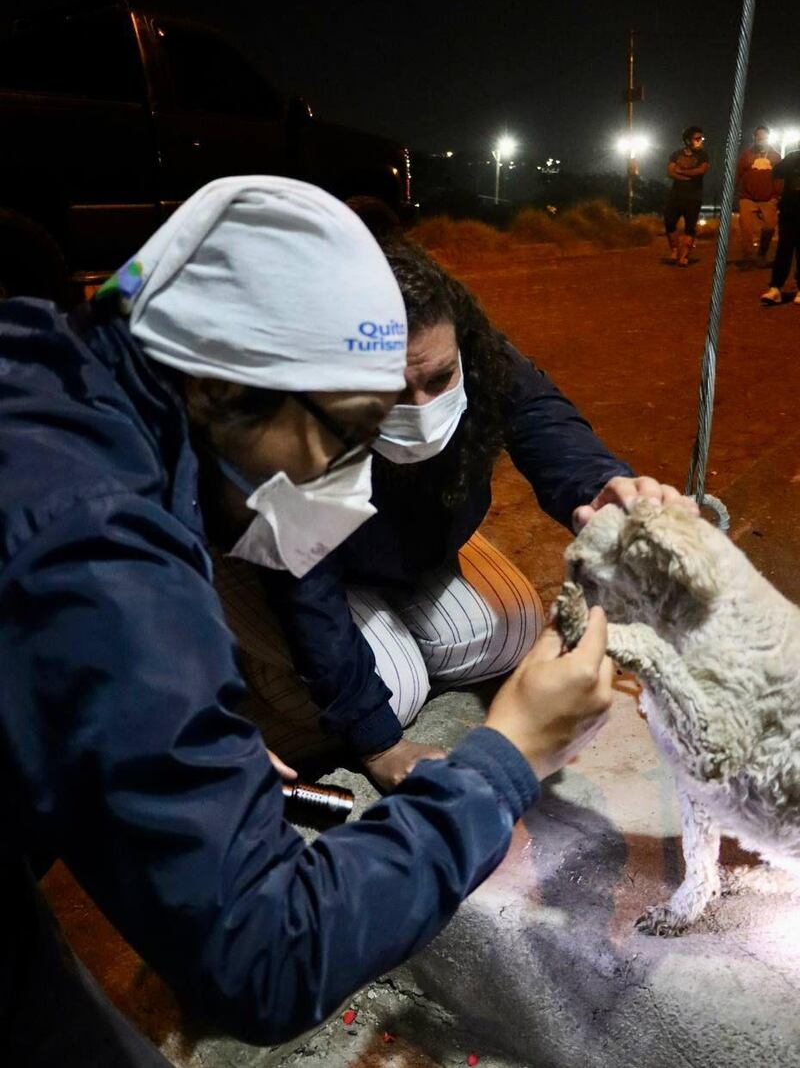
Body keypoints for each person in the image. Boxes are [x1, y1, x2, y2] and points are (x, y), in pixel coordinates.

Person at [1, 175, 616, 1066]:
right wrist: (507, 756)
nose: (347, 472)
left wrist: (191, 736)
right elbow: (265, 955)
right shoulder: (97, 549)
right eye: (348, 428)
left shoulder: (68, 376)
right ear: (230, 379)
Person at [215, 239, 698, 790]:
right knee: (389, 695)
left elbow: (540, 417)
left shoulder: (477, 355)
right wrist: (380, 743)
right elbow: (306, 594)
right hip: (281, 559)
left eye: (439, 379)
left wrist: (598, 486)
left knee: (510, 630)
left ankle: (381, 636)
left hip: (388, 547)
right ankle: (238, 676)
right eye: (388, 390)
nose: (420, 409)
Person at [664, 126, 710, 266]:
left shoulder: (703, 155)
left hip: (694, 196)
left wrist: (681, 171)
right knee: (669, 222)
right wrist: (688, 173)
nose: (700, 141)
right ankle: (674, 249)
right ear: (688, 140)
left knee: (690, 227)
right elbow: (671, 172)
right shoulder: (676, 154)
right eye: (697, 138)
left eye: (701, 138)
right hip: (676, 195)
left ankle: (684, 256)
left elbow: (701, 170)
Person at [735, 125, 781, 267]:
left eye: (764, 137)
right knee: (746, 228)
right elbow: (737, 175)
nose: (761, 140)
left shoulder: (775, 156)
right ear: (754, 138)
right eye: (759, 137)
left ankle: (762, 254)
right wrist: (734, 193)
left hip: (768, 199)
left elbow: (780, 178)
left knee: (769, 226)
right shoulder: (746, 155)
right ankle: (748, 257)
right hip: (747, 198)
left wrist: (776, 197)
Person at [761, 144, 800, 306]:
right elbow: (777, 172)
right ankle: (775, 287)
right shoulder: (793, 157)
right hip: (789, 210)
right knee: (783, 249)